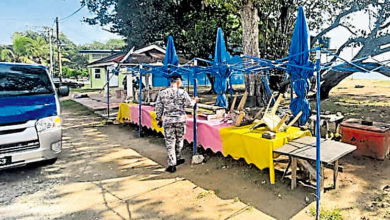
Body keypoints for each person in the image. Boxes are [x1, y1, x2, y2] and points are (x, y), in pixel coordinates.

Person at [155, 75, 198, 173]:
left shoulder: (162, 93)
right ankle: (178, 158)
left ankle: (172, 164)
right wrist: (195, 100)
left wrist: (158, 119)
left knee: (170, 142)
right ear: (178, 82)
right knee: (180, 140)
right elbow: (189, 105)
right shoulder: (183, 93)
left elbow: (158, 108)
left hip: (168, 121)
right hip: (180, 120)